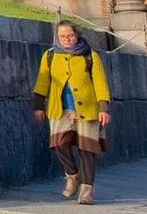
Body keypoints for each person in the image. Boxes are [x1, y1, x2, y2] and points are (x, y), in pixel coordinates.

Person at [31, 21, 111, 205]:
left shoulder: (90, 56)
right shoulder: (50, 55)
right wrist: (38, 106)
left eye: (70, 36)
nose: (66, 39)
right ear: (57, 37)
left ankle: (86, 190)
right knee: (58, 144)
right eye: (62, 36)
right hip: (60, 109)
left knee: (87, 149)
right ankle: (73, 175)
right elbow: (42, 82)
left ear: (77, 35)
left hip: (87, 109)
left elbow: (100, 83)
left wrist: (103, 108)